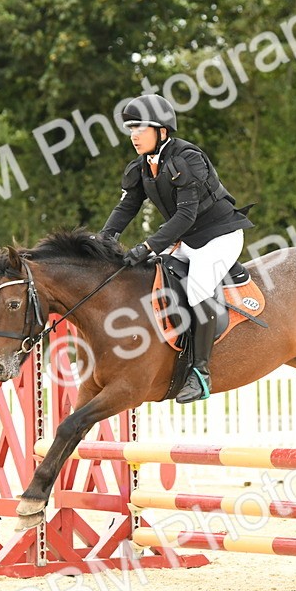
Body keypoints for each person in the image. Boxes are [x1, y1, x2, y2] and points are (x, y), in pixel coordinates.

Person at [100, 93, 254, 403]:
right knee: (155, 277)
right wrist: (103, 239)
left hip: (219, 237)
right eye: (130, 128)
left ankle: (200, 373)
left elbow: (186, 214)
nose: (134, 135)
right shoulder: (142, 167)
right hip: (187, 239)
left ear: (162, 131)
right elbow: (127, 207)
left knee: (197, 289)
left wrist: (146, 246)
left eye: (140, 128)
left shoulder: (187, 159)